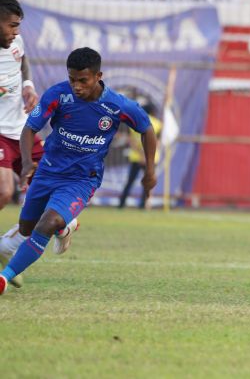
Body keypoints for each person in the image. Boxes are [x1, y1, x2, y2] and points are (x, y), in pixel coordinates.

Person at [0, 47, 157, 296]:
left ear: (98, 76)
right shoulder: (58, 95)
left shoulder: (116, 104)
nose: (76, 86)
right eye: (72, 79)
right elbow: (30, 129)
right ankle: (65, 226)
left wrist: (149, 170)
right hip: (48, 172)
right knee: (27, 228)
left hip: (83, 178)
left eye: (83, 80)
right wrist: (28, 161)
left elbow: (146, 128)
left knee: (47, 223)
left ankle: (4, 279)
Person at [0, 0, 44, 289]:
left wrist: (27, 86)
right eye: (12, 26)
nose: (16, 32)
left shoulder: (15, 42)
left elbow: (22, 61)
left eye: (18, 26)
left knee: (52, 192)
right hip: (0, 132)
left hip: (23, 130)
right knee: (4, 191)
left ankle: (4, 247)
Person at [119, 103, 162, 209]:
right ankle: (144, 204)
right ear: (153, 112)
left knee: (130, 181)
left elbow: (131, 140)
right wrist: (146, 155)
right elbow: (157, 142)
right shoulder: (157, 123)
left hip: (136, 156)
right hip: (151, 158)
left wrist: (140, 153)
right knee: (148, 181)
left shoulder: (135, 122)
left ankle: (121, 203)